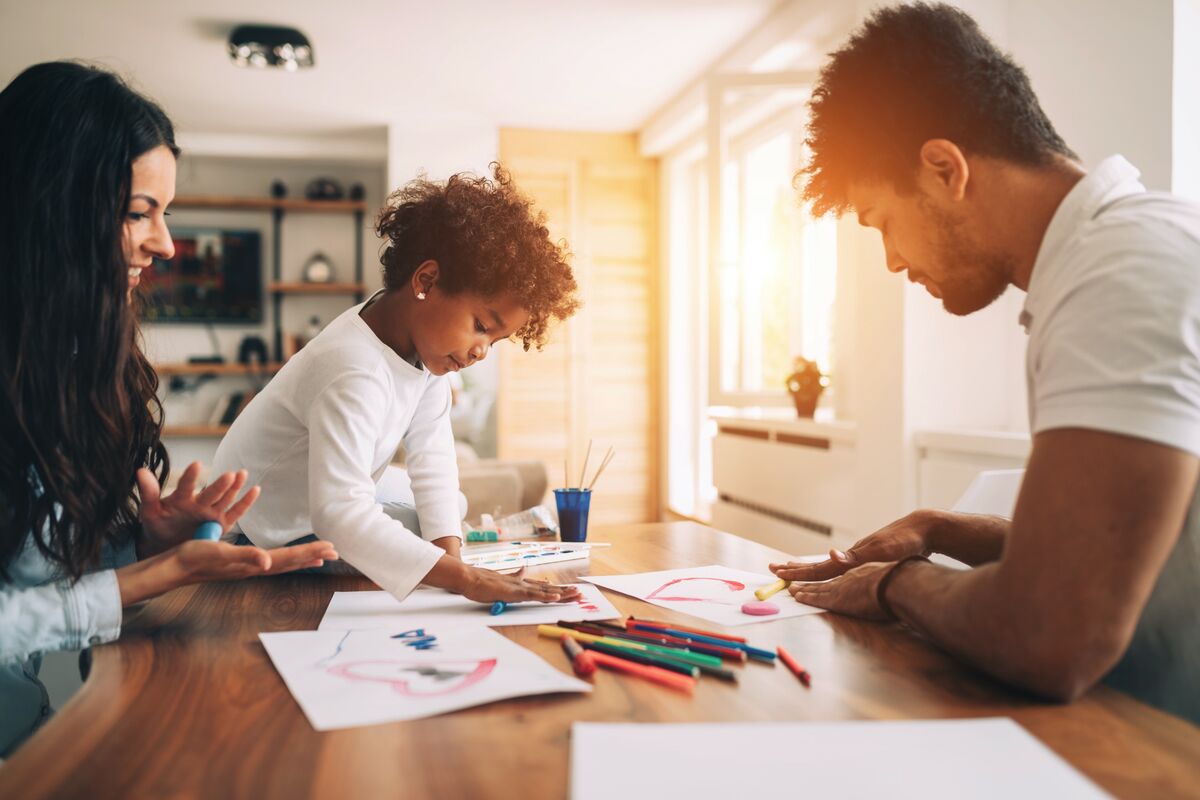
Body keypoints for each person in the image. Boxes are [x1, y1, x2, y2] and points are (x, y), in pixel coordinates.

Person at [770, 2, 1200, 724]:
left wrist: (893, 585)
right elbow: (1127, 547)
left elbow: (1049, 633)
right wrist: (941, 528)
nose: (893, 260)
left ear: (944, 168)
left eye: (883, 224)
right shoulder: (1135, 245)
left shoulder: (1119, 280)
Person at [0, 61, 337, 756]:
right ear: (48, 210)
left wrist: (146, 546)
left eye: (165, 213)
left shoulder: (61, 364)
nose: (166, 244)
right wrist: (151, 577)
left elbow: (31, 565)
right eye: (138, 213)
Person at [213, 166, 583, 605]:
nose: (482, 351)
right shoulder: (353, 367)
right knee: (411, 537)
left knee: (446, 511)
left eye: (494, 341)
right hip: (257, 531)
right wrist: (466, 579)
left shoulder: (417, 347)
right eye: (482, 326)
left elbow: (434, 463)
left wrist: (455, 572)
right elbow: (338, 513)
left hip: (302, 507)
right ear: (426, 281)